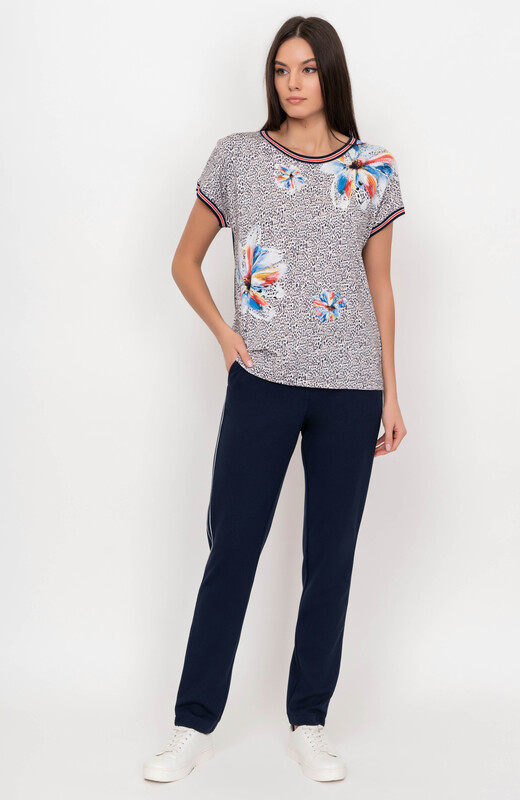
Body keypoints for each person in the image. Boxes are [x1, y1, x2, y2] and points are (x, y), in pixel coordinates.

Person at [143, 14, 407, 785]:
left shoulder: (374, 168)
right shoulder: (238, 157)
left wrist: (392, 391)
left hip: (352, 388)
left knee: (331, 559)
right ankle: (192, 726)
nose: (293, 83)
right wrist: (226, 335)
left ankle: (309, 723)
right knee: (233, 550)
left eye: (308, 69)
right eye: (282, 70)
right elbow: (184, 261)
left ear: (331, 75)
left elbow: (381, 287)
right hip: (262, 381)